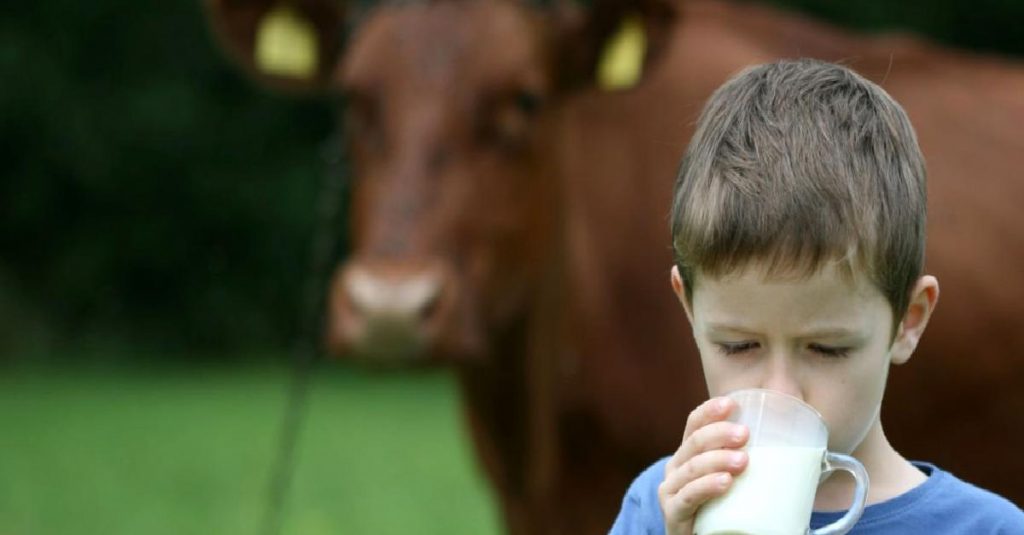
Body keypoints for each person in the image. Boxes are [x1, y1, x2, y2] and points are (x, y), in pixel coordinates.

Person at [609, 59, 1024, 534]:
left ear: (908, 321)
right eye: (738, 345)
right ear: (689, 309)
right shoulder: (657, 509)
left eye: (827, 349)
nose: (780, 391)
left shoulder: (983, 528)